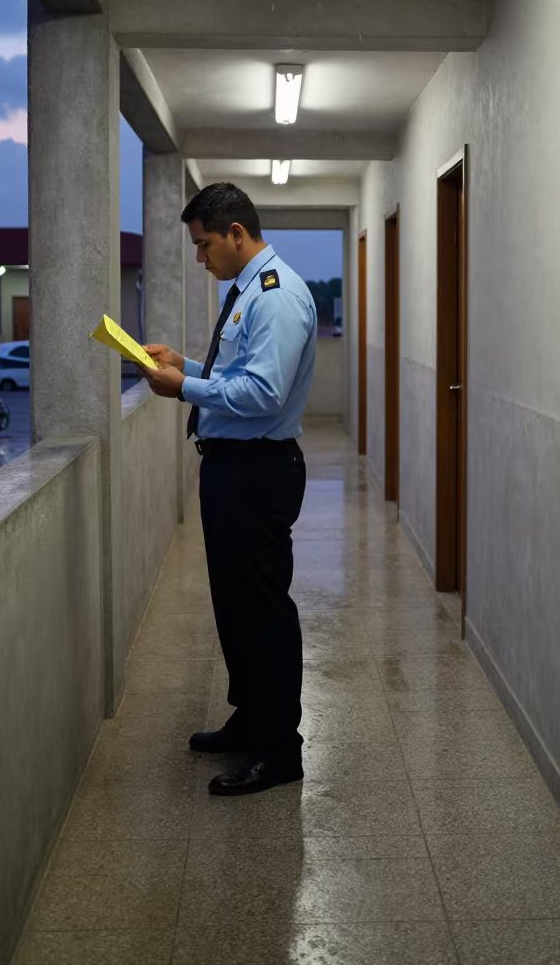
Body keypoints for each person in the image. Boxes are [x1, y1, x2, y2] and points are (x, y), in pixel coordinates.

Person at [139, 182, 317, 796]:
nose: (200, 258)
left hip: (257, 471)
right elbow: (237, 375)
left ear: (235, 234)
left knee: (263, 612)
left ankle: (279, 750)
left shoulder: (276, 296)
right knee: (235, 607)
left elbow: (264, 394)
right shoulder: (248, 290)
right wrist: (184, 365)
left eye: (204, 244)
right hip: (231, 467)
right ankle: (251, 719)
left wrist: (181, 390)